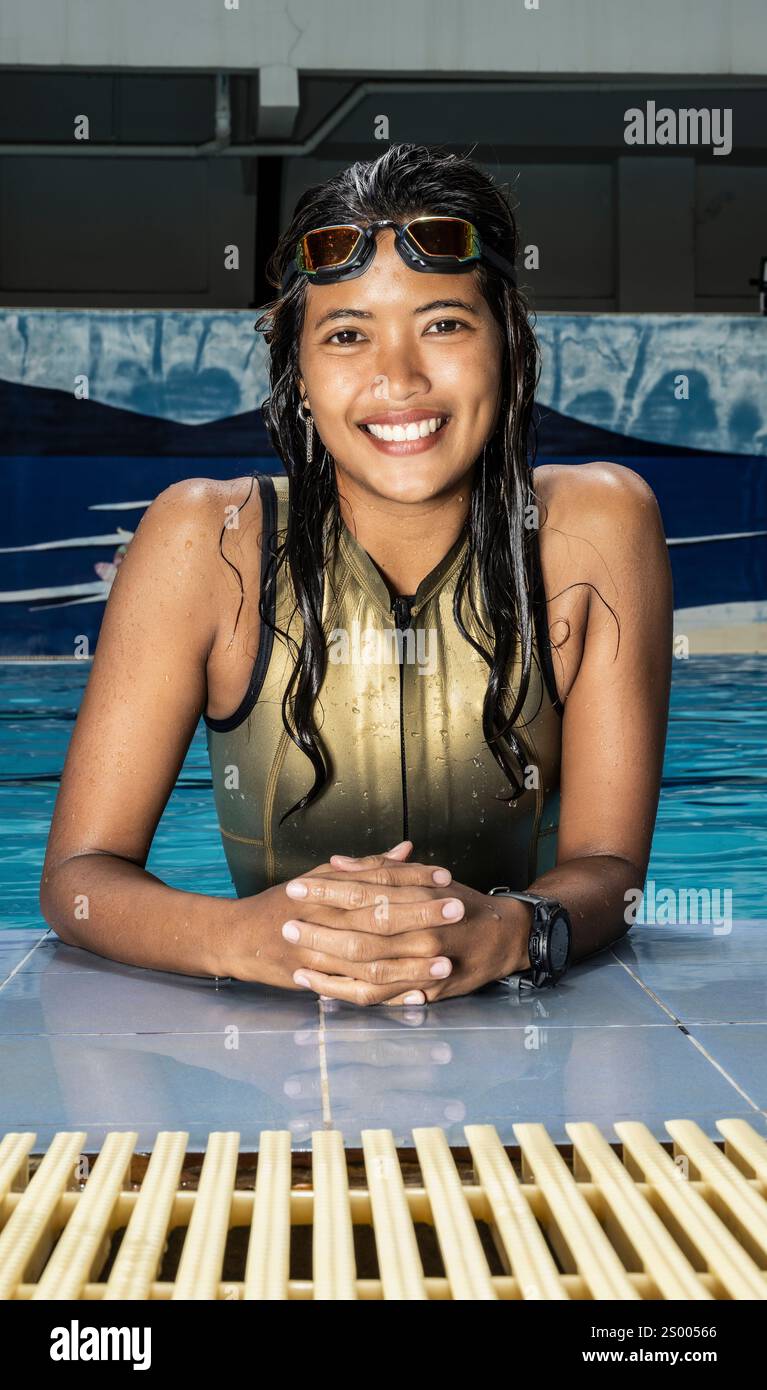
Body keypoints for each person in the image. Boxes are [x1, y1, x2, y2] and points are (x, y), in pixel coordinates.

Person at [40, 143, 672, 1007]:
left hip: (526, 1056)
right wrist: (244, 939)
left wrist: (513, 929)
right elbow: (79, 877)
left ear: (508, 344)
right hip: (275, 1061)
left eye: (443, 323)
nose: (398, 380)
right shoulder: (207, 539)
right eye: (346, 335)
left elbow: (609, 872)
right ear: (298, 373)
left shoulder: (596, 527)